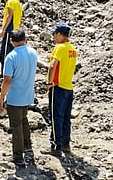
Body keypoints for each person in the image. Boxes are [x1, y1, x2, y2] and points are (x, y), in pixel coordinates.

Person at [0, 29, 37, 168]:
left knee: (16, 125)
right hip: (27, 94)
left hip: (15, 97)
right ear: (25, 39)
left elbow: (7, 80)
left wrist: (1, 97)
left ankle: (18, 156)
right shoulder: (33, 53)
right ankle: (27, 145)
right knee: (24, 119)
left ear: (11, 41)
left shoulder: (11, 56)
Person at [41, 23, 77, 156]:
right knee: (66, 117)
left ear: (60, 34)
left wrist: (49, 82)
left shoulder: (59, 48)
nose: (54, 37)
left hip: (58, 86)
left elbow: (52, 65)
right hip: (68, 86)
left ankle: (56, 146)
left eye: (55, 34)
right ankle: (66, 143)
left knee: (56, 116)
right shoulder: (72, 49)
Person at [0, 0, 23, 76]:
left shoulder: (10, 2)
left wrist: (3, 29)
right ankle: (13, 72)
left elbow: (9, 16)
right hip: (16, 32)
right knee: (13, 53)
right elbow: (20, 20)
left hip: (9, 31)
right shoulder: (18, 4)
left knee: (5, 53)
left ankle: (5, 73)